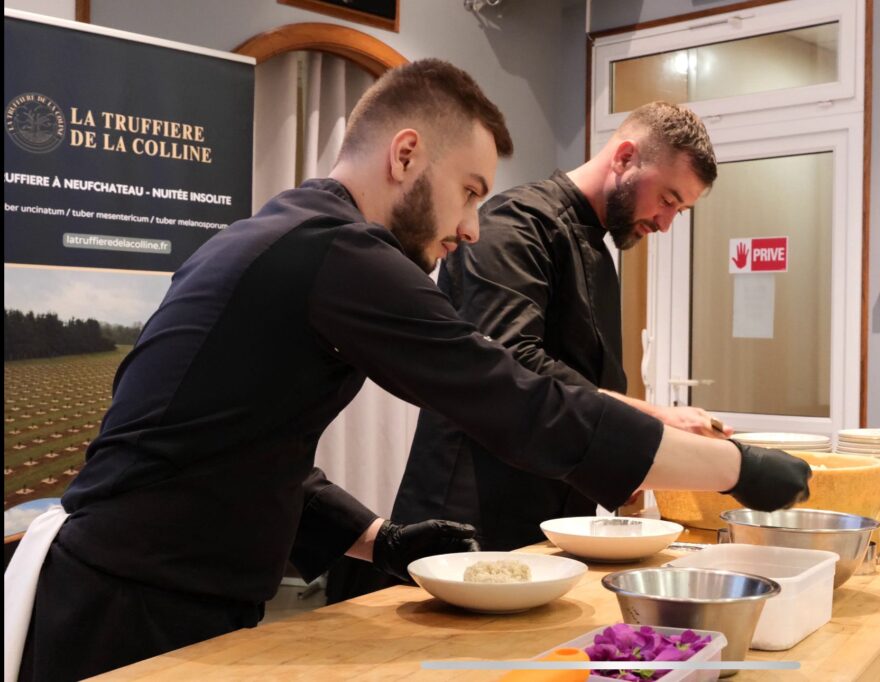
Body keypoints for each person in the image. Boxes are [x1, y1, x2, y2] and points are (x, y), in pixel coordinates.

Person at [7, 60, 809, 682]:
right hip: (129, 609)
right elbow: (515, 399)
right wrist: (735, 469)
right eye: (469, 192)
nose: (471, 228)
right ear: (405, 155)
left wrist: (375, 540)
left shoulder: (281, 234)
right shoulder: (341, 252)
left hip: (133, 589)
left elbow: (241, 445)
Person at [381, 102, 729, 559]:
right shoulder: (513, 224)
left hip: (553, 513)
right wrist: (653, 420)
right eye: (667, 199)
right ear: (625, 157)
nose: (665, 224)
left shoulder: (597, 250)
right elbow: (514, 364)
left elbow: (584, 383)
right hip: (472, 512)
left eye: (679, 211)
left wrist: (615, 460)